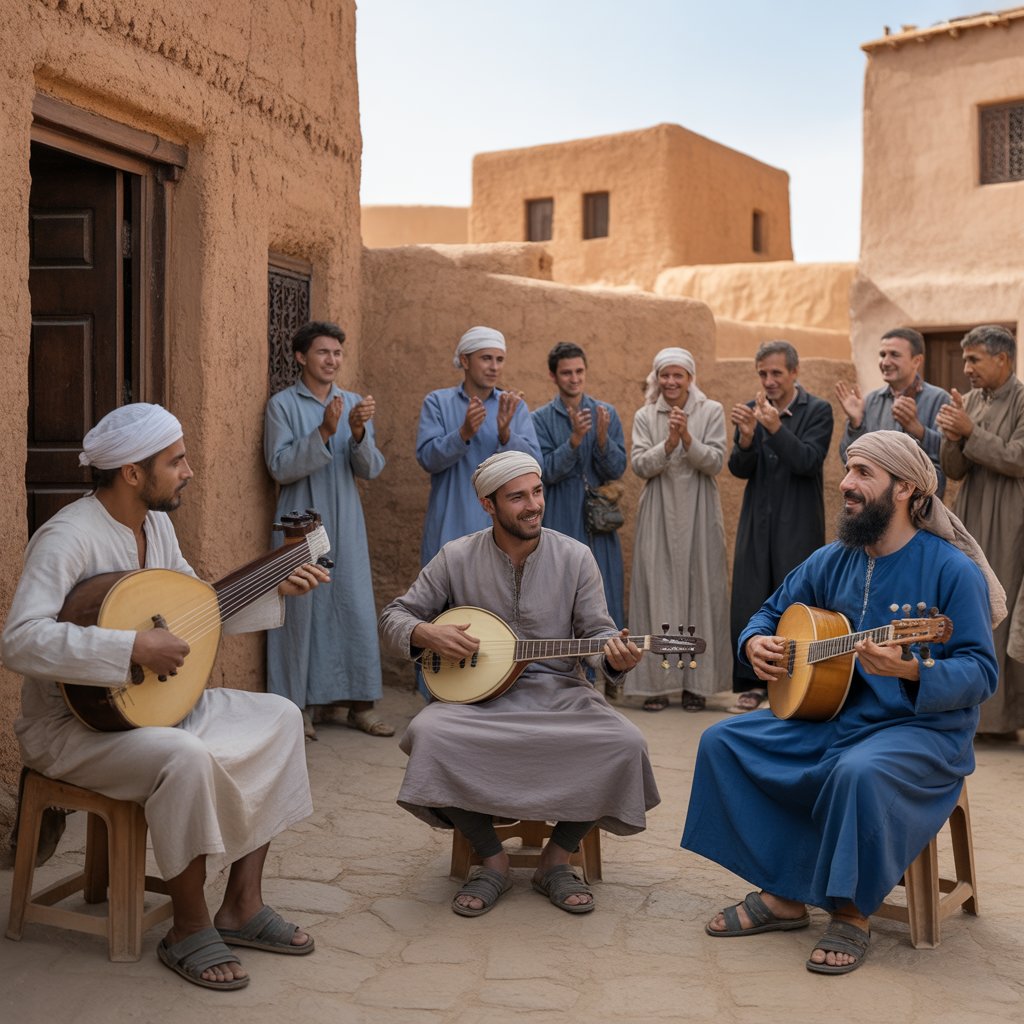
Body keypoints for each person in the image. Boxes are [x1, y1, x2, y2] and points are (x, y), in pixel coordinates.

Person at [1, 404, 330, 990]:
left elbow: (192, 613)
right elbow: (20, 641)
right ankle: (188, 926)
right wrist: (128, 647)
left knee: (279, 715)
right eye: (176, 461)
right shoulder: (67, 537)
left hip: (149, 707)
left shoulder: (156, 527)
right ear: (132, 472)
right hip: (75, 730)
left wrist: (271, 584)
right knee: (183, 758)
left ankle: (242, 906)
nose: (190, 470)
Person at [682, 430, 1002, 976]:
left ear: (904, 489)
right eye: (849, 470)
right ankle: (785, 894)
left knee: (857, 773)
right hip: (834, 719)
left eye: (862, 474)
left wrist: (912, 670)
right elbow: (768, 614)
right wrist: (754, 642)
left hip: (921, 733)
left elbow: (981, 671)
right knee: (723, 741)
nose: (846, 485)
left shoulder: (951, 571)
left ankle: (851, 912)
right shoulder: (834, 559)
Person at [378, 451, 660, 917]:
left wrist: (615, 656)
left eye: (537, 491)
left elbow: (597, 633)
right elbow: (394, 616)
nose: (533, 505)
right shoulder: (457, 556)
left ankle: (557, 858)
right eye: (517, 497)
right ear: (489, 506)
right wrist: (426, 633)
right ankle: (491, 858)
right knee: (429, 735)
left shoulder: (576, 557)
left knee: (624, 742)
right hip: (476, 699)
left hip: (560, 693)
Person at [264, 320, 392, 740]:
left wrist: (356, 433)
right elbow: (279, 466)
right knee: (301, 611)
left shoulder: (353, 402)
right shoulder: (282, 405)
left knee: (351, 603)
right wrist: (324, 431)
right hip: (299, 521)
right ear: (301, 357)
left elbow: (370, 469)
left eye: (337, 353)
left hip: (345, 519)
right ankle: (295, 707)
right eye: (323, 352)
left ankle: (360, 703)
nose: (332, 360)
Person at [727, 341, 833, 713]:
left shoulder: (818, 410)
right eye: (762, 374)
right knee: (751, 594)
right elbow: (740, 469)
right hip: (758, 519)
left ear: (794, 372)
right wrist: (744, 438)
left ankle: (794, 676)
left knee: (794, 601)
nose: (769, 381)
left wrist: (773, 428)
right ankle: (754, 683)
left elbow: (808, 460)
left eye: (776, 373)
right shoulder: (755, 410)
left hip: (798, 522)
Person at [626, 347, 731, 712]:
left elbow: (715, 462)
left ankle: (696, 686)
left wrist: (687, 437)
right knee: (657, 593)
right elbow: (640, 465)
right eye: (664, 376)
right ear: (657, 379)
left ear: (690, 378)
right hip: (658, 512)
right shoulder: (644, 415)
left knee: (700, 592)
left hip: (700, 513)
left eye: (678, 375)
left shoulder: (711, 411)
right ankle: (656, 684)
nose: (670, 382)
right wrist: (668, 444)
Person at [937, 324, 1024, 741]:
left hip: (1011, 520)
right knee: (968, 606)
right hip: (970, 515)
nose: (966, 367)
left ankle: (1001, 721)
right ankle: (968, 708)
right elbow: (954, 470)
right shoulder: (969, 401)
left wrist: (971, 431)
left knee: (1001, 612)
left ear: (1003, 359)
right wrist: (952, 438)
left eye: (974, 359)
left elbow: (1017, 458)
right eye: (965, 358)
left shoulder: (1023, 401)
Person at [416, 325, 541, 566]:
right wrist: (463, 433)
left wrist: (506, 434)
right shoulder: (437, 402)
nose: (494, 367)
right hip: (449, 523)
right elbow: (428, 459)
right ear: (465, 360)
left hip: (501, 529)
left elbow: (535, 465)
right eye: (486, 358)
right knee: (447, 599)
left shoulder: (513, 407)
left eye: (500, 359)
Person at [531, 341, 627, 627]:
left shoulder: (605, 413)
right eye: (566, 373)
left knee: (604, 590)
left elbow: (617, 469)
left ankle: (605, 664)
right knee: (561, 591)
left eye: (579, 371)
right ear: (553, 376)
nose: (574, 379)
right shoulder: (540, 419)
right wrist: (574, 441)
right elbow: (545, 472)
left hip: (598, 525)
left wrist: (601, 440)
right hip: (560, 516)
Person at [836, 327, 950, 496]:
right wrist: (856, 424)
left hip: (919, 507)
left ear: (916, 361)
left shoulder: (939, 399)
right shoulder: (869, 401)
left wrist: (918, 430)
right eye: (882, 354)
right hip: (875, 505)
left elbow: (948, 458)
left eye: (894, 355)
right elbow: (849, 459)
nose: (885, 362)